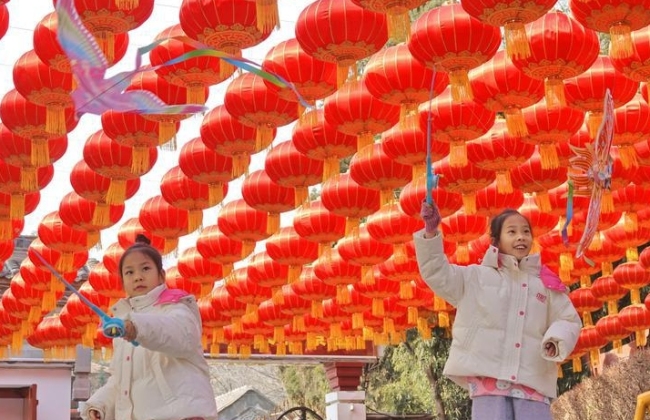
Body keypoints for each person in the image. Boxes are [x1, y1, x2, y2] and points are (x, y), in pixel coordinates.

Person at [414, 202, 581, 420]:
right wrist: (431, 233)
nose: (520, 237)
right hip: (489, 382)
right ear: (496, 240)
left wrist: (556, 339)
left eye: (526, 232)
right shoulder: (475, 278)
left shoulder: (546, 284)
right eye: (512, 232)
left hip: (533, 382)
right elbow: (437, 272)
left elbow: (568, 319)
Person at [81, 234, 218, 420]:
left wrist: (135, 327)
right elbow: (121, 382)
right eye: (129, 272)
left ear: (161, 276)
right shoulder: (124, 324)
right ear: (122, 281)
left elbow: (177, 334)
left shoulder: (177, 308)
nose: (137, 277)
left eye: (145, 268)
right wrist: (100, 405)